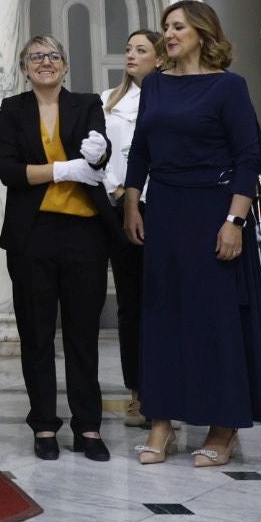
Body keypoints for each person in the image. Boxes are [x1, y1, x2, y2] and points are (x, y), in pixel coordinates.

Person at [124, 0, 261, 466]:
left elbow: (248, 157)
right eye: (166, 27)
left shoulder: (229, 87)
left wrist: (234, 221)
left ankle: (223, 427)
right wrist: (133, 202)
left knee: (215, 320)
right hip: (165, 210)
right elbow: (140, 151)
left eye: (178, 27)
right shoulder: (154, 86)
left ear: (203, 33)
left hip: (214, 210)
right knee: (163, 316)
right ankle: (161, 422)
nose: (168, 34)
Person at [0, 35, 117, 463]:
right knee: (37, 334)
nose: (45, 63)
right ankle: (44, 423)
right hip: (32, 235)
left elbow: (97, 161)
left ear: (65, 66)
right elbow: (8, 171)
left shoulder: (86, 104)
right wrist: (62, 169)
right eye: (36, 57)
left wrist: (99, 157)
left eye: (53, 56)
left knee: (83, 334)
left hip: (85, 232)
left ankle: (88, 426)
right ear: (25, 68)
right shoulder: (14, 109)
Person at [101, 29, 162, 428]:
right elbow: (99, 151)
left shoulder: (169, 97)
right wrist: (118, 190)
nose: (131, 55)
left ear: (159, 58)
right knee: (130, 303)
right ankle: (138, 391)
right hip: (118, 204)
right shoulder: (108, 100)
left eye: (141, 50)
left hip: (162, 205)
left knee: (163, 300)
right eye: (128, 49)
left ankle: (168, 388)